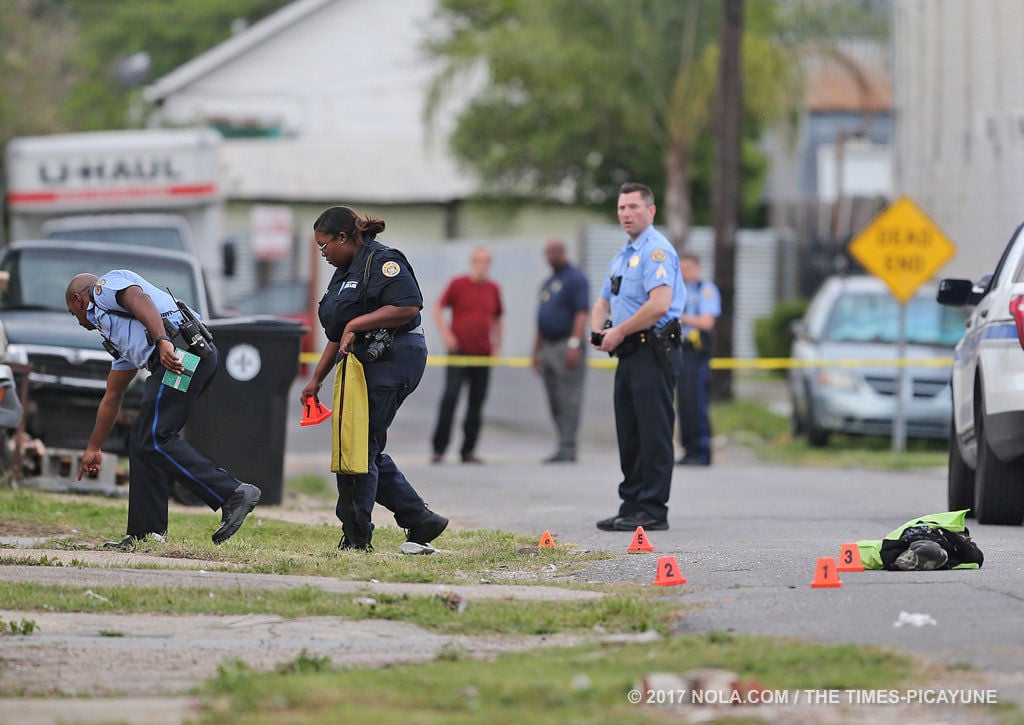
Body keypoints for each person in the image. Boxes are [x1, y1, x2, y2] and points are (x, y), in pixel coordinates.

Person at [65, 271, 261, 549]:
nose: (77, 320)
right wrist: (94, 446)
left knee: (155, 436)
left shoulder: (102, 289)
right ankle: (147, 533)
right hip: (183, 354)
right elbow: (113, 394)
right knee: (144, 439)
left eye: (73, 313)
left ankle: (232, 493)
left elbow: (138, 299)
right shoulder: (117, 333)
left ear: (77, 299)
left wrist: (161, 340)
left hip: (181, 352)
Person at [301, 205, 448, 552]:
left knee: (359, 443)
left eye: (324, 246)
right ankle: (420, 519)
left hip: (396, 357)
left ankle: (356, 536)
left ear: (343, 237)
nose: (322, 253)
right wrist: (316, 379)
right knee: (365, 445)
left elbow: (408, 306)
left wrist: (356, 325)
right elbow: (338, 332)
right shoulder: (343, 269)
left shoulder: (382, 261)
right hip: (364, 361)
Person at [590, 182, 684, 532]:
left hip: (653, 349)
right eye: (621, 208)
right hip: (628, 351)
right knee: (630, 433)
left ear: (651, 211)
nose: (626, 214)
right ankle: (631, 504)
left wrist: (618, 331)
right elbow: (603, 301)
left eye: (633, 207)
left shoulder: (656, 251)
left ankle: (653, 508)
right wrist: (599, 330)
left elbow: (659, 304)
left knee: (653, 432)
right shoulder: (624, 254)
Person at [430, 246, 503, 464]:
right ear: (472, 263)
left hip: (483, 353)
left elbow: (498, 318)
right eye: (480, 261)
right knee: (450, 398)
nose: (483, 265)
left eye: (487, 261)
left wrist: (498, 344)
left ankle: (468, 450)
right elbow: (437, 310)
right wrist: (447, 335)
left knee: (477, 401)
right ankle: (439, 449)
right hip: (459, 351)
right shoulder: (458, 284)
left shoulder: (493, 288)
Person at [531, 238, 589, 463]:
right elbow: (541, 318)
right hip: (548, 345)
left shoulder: (576, 278)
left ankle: (568, 446)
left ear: (563, 252)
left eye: (555, 252)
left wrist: (575, 343)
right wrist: (535, 351)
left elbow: (581, 312)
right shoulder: (548, 282)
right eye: (547, 252)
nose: (551, 256)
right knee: (554, 397)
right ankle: (561, 442)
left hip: (566, 344)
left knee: (569, 398)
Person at [676, 253, 721, 466]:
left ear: (698, 267)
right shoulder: (678, 290)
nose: (685, 272)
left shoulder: (706, 289)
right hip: (680, 350)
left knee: (696, 401)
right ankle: (689, 449)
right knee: (684, 402)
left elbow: (707, 322)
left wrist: (683, 318)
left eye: (688, 268)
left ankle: (702, 451)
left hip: (697, 351)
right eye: (681, 268)